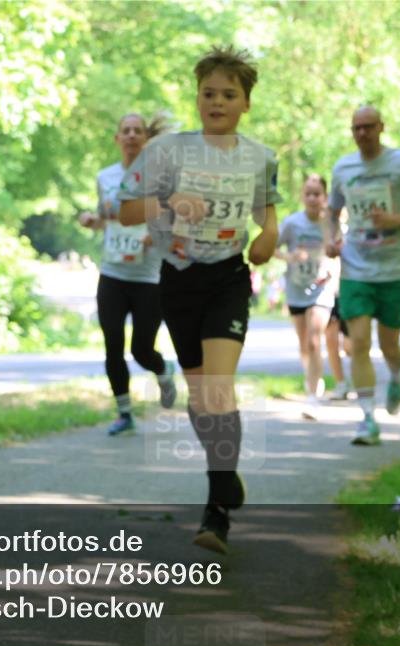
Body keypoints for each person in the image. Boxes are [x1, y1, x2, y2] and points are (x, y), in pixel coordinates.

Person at [118, 46, 281, 553]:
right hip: (179, 279)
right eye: (209, 93)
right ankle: (225, 472)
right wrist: (169, 202)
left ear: (245, 103)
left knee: (217, 389)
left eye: (229, 95)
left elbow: (267, 211)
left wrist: (268, 236)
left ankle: (216, 510)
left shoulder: (259, 157)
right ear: (197, 98)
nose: (217, 102)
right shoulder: (167, 152)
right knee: (200, 399)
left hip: (228, 279)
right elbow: (126, 211)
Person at [324, 106, 400, 444]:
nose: (362, 133)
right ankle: (367, 418)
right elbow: (332, 211)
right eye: (356, 128)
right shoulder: (343, 168)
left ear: (381, 127)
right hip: (355, 268)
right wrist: (331, 238)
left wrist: (397, 220)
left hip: (394, 269)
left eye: (368, 127)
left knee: (390, 343)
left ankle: (397, 374)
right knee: (359, 342)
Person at [78, 113, 177, 435]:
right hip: (113, 273)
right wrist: (92, 221)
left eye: (138, 131)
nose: (132, 135)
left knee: (142, 350)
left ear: (146, 139)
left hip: (148, 277)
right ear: (117, 138)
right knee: (112, 346)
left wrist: (155, 235)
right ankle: (124, 414)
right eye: (126, 131)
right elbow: (107, 217)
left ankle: (163, 371)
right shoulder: (105, 177)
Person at [275, 174, 338, 419]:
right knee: (304, 345)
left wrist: (333, 268)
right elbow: (272, 249)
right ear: (302, 196)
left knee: (314, 340)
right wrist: (290, 257)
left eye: (317, 194)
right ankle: (311, 376)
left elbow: (340, 252)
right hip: (296, 289)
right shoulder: (292, 223)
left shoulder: (330, 224)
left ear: (325, 197)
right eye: (308, 194)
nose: (312, 198)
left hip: (322, 290)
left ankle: (312, 398)